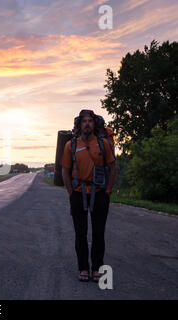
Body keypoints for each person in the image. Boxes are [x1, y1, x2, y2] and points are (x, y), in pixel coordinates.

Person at [61, 109, 117, 282]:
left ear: (94, 124)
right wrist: (71, 193)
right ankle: (83, 268)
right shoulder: (71, 145)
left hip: (99, 193)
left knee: (99, 233)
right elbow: (65, 170)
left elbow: (113, 167)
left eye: (90, 121)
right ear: (79, 125)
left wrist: (108, 191)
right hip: (78, 194)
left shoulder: (103, 144)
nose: (87, 124)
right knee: (81, 233)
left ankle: (98, 268)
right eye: (84, 121)